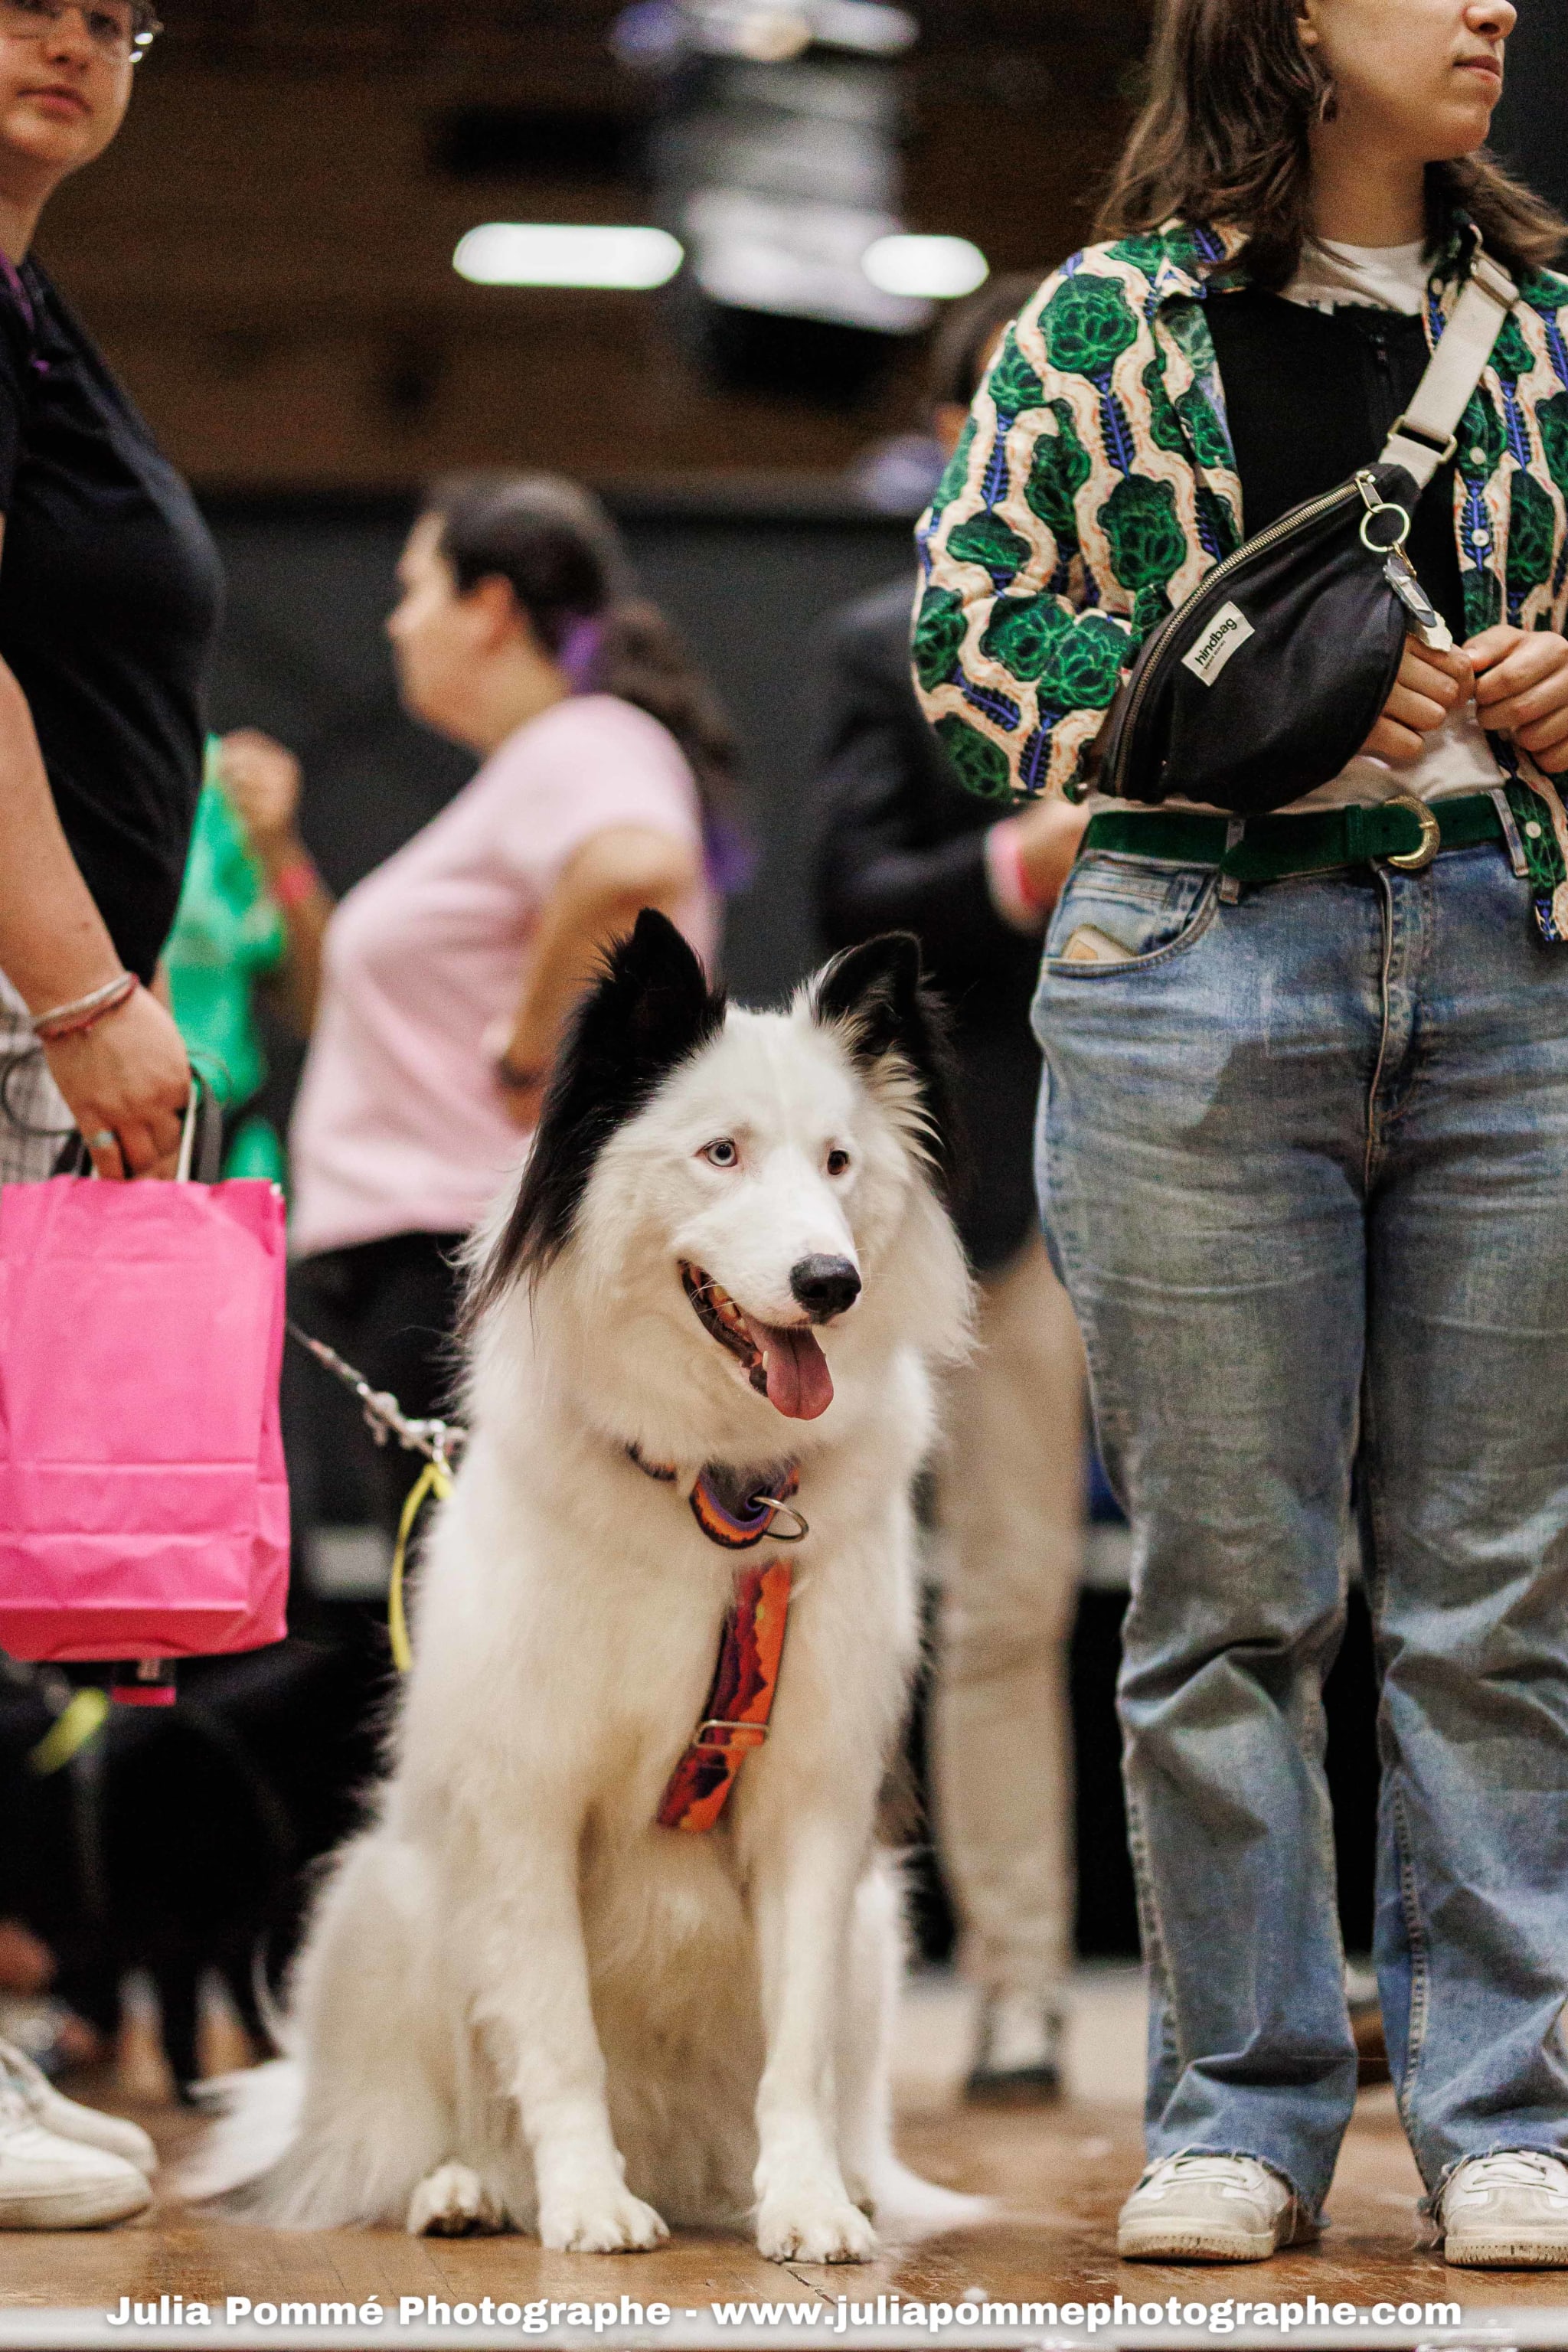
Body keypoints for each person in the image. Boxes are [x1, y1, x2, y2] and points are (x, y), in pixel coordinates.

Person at [916, 0, 1568, 2272]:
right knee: (1225, 1585)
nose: (1483, 4)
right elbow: (968, 640)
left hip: (1517, 966)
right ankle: (1242, 2102)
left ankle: (1504, 2113)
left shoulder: (1552, 327)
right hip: (1191, 952)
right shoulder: (1105, 321)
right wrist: (1217, 700)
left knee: (1497, 1586)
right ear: (1286, 19)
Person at [814, 277, 1090, 2105]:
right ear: (946, 420)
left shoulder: (1186, 619)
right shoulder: (876, 639)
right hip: (967, 1180)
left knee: (1198, 1592)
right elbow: (848, 889)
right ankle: (935, 1979)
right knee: (928, 1595)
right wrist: (1018, 859)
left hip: (1214, 1140)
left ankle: (1055, 1984)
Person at [0, 0, 224, 2231]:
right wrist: (80, 987)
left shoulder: (33, 303)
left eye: (109, 14)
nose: (71, 39)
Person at [287, 475, 731, 1540]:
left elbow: (637, 861)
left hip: (465, 1259)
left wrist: (532, 1051)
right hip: (440, 1262)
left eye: (414, 589)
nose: (397, 622)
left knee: (469, 1624)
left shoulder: (583, 745)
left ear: (488, 608)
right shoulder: (544, 765)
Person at [162, 731, 331, 1181]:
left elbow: (319, 1006)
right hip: (54, 1125)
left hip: (219, 1145)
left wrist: (279, 846)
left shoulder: (222, 777)